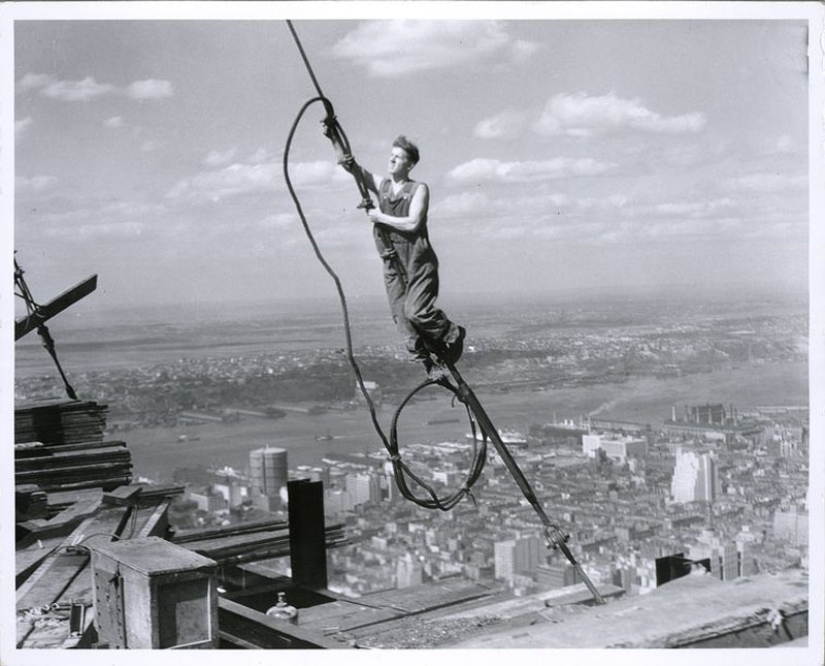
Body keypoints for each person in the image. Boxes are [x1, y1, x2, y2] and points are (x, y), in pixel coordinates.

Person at [332, 134, 465, 377]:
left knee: (416, 312)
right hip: (392, 262)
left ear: (410, 164)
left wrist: (379, 217)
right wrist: (333, 135)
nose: (391, 160)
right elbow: (351, 167)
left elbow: (413, 223)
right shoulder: (382, 187)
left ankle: (452, 334)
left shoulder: (418, 189)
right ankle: (429, 365)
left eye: (398, 157)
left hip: (417, 261)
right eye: (391, 156)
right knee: (402, 319)